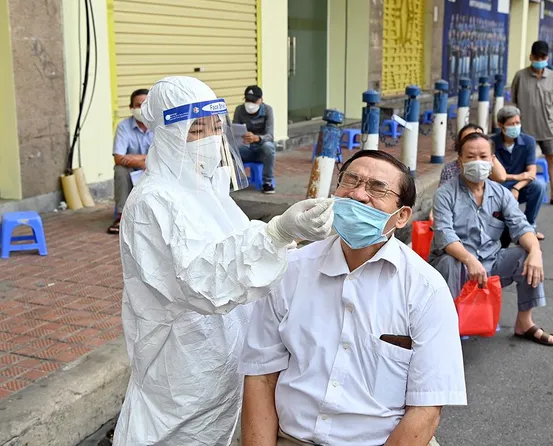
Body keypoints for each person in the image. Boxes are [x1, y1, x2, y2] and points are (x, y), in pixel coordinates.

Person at [113, 76, 336, 446]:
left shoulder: (207, 190)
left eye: (215, 127)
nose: (210, 138)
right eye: (196, 129)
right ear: (167, 135)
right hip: (181, 370)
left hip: (226, 360)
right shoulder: (152, 203)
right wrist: (277, 233)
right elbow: (202, 281)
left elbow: (238, 247)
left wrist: (299, 246)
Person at [239, 150, 467, 446]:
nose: (359, 195)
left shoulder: (426, 290)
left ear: (402, 217)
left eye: (377, 188)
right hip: (291, 438)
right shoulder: (291, 271)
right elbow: (260, 376)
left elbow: (426, 409)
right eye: (351, 181)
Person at [430, 132, 553, 347]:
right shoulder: (445, 193)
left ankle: (524, 324)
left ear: (491, 160)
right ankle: (444, 331)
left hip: (491, 261)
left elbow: (521, 226)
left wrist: (536, 251)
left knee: (526, 254)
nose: (477, 162)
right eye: (471, 157)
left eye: (483, 156)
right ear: (460, 161)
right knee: (450, 262)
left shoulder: (501, 194)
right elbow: (444, 234)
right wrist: (470, 261)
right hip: (457, 264)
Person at [511, 40, 553, 208]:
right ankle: (517, 194)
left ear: (547, 57)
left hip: (547, 126)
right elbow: (514, 101)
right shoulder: (520, 76)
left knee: (552, 158)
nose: (540, 59)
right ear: (531, 57)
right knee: (522, 162)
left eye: (543, 56)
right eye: (537, 56)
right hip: (525, 128)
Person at [492, 106, 546, 241]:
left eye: (517, 123)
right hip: (499, 185)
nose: (515, 127)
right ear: (501, 125)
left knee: (539, 186)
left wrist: (517, 187)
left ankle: (529, 227)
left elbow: (531, 172)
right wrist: (516, 177)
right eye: (511, 124)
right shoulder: (491, 143)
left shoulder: (528, 141)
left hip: (520, 186)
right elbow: (491, 175)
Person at [107, 88, 153, 234]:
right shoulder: (123, 126)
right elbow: (118, 158)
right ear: (131, 108)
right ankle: (121, 216)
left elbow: (166, 154)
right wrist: (143, 161)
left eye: (145, 105)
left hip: (155, 166)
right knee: (120, 170)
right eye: (138, 105)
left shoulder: (160, 126)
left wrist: (135, 158)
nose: (141, 109)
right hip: (134, 168)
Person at [233, 85, 276, 194]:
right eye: (248, 100)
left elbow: (270, 136)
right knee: (230, 148)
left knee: (269, 146)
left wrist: (257, 138)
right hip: (246, 149)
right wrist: (241, 137)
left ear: (261, 100)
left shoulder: (268, 110)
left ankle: (267, 182)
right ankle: (233, 180)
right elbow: (234, 131)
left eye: (253, 101)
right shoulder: (239, 110)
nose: (250, 104)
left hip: (261, 150)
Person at [439, 123, 507, 188]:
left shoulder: (487, 164)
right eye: (468, 139)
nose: (473, 143)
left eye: (476, 137)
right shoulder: (450, 169)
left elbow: (501, 177)